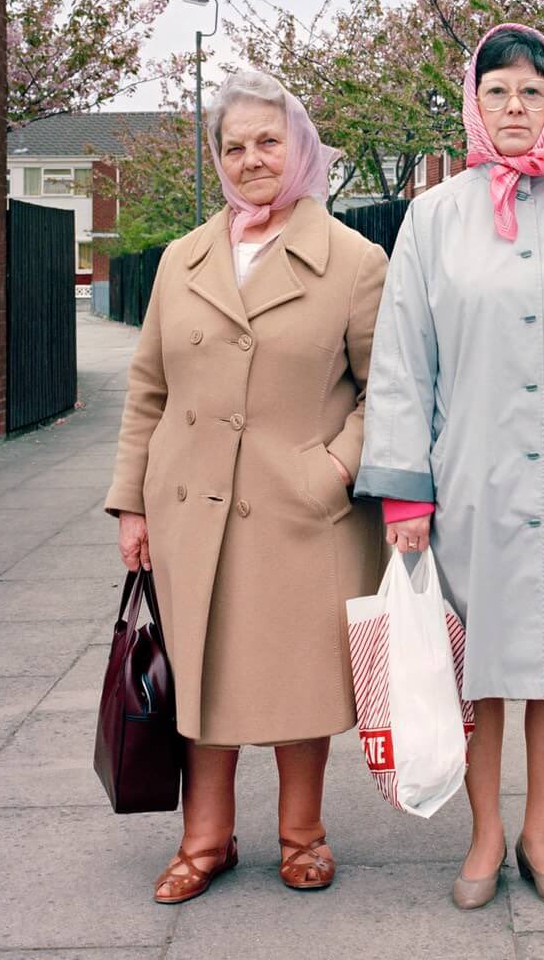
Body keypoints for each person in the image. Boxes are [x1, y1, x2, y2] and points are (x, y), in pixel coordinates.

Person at [355, 24, 544, 910]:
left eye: (531, 90)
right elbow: (402, 360)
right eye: (498, 92)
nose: (515, 107)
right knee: (481, 663)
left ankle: (542, 832)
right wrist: (407, 487)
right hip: (471, 480)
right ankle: (486, 833)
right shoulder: (437, 216)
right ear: (474, 103)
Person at [104, 70, 388, 903]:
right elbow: (148, 389)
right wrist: (131, 503)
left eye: (268, 140)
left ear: (297, 145)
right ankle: (206, 841)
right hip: (190, 507)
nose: (252, 158)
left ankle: (304, 835)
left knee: (296, 678)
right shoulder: (181, 259)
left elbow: (389, 390)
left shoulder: (354, 260)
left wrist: (334, 468)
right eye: (234, 146)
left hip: (302, 508)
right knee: (201, 674)